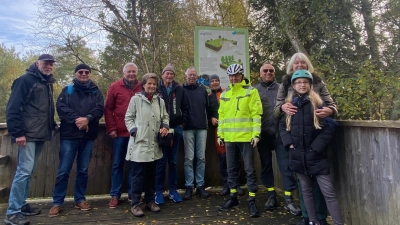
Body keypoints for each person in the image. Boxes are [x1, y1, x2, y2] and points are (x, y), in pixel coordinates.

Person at [274, 52, 338, 225]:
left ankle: (321, 217)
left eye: (302, 63)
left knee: (320, 184)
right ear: (291, 67)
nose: (299, 65)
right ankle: (308, 216)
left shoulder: (318, 82)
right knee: (303, 184)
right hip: (294, 135)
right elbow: (276, 110)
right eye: (296, 63)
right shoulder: (286, 83)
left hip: (314, 136)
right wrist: (282, 107)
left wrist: (329, 111)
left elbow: (331, 106)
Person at [5, 54, 58, 225]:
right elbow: (13, 108)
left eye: (51, 64)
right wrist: (18, 133)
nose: (49, 67)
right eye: (46, 63)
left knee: (28, 171)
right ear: (37, 63)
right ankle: (12, 212)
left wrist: (52, 124)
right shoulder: (25, 80)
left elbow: (43, 109)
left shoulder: (46, 82)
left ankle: (21, 205)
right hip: (26, 135)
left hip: (40, 133)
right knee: (23, 171)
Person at [48, 64, 104, 217]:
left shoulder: (95, 91)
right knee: (63, 170)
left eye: (87, 72)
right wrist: (77, 120)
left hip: (88, 137)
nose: (84, 74)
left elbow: (99, 109)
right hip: (69, 136)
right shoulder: (68, 90)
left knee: (83, 170)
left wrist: (88, 119)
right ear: (75, 74)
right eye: (81, 72)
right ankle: (57, 202)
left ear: (90, 74)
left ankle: (80, 199)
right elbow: (61, 108)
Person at [254, 64, 301, 215]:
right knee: (266, 166)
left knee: (286, 166)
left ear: (274, 73)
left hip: (281, 134)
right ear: (260, 74)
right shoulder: (254, 90)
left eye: (271, 71)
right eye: (265, 71)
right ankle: (271, 196)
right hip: (263, 134)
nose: (268, 73)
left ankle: (288, 199)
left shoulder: (283, 88)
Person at [217, 64, 262, 218]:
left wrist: (256, 134)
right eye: (231, 76)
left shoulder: (251, 91)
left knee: (249, 170)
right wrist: (219, 135)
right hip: (229, 138)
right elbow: (222, 116)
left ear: (242, 75)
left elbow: (256, 114)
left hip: (246, 137)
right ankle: (233, 197)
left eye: (236, 75)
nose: (234, 78)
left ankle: (252, 200)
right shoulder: (224, 94)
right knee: (231, 169)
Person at [125, 73, 169, 217]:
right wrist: (134, 131)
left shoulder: (159, 101)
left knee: (152, 174)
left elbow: (165, 116)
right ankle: (135, 204)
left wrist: (165, 126)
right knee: (138, 175)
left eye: (154, 84)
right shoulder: (136, 100)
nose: (152, 86)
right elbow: (129, 117)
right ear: (143, 84)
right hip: (140, 143)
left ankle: (150, 201)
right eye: (149, 83)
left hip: (154, 143)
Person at [105, 62, 142, 208]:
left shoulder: (142, 87)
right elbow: (108, 109)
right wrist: (111, 128)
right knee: (117, 164)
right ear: (123, 73)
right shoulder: (115, 87)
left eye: (134, 71)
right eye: (128, 72)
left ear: (137, 73)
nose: (131, 74)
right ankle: (115, 195)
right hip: (120, 132)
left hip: (137, 133)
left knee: (135, 165)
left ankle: (133, 194)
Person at [155, 64, 189, 204]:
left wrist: (182, 125)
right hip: (160, 129)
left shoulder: (179, 89)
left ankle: (173, 191)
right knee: (161, 161)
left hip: (175, 128)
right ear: (162, 75)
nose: (169, 76)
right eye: (166, 73)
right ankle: (158, 192)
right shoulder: (156, 88)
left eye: (171, 74)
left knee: (173, 161)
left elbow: (186, 108)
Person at [207, 74, 244, 197]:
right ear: (209, 83)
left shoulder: (227, 92)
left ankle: (236, 184)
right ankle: (227, 184)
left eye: (216, 80)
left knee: (235, 157)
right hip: (218, 131)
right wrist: (210, 118)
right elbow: (205, 111)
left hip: (233, 130)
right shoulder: (208, 97)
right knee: (223, 159)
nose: (215, 82)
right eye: (212, 81)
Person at [182, 67, 210, 200]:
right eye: (189, 75)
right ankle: (189, 186)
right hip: (187, 128)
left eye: (194, 75)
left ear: (197, 77)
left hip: (201, 128)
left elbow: (207, 108)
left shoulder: (203, 90)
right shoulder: (181, 90)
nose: (192, 77)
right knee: (188, 159)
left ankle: (200, 185)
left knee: (201, 158)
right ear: (185, 76)